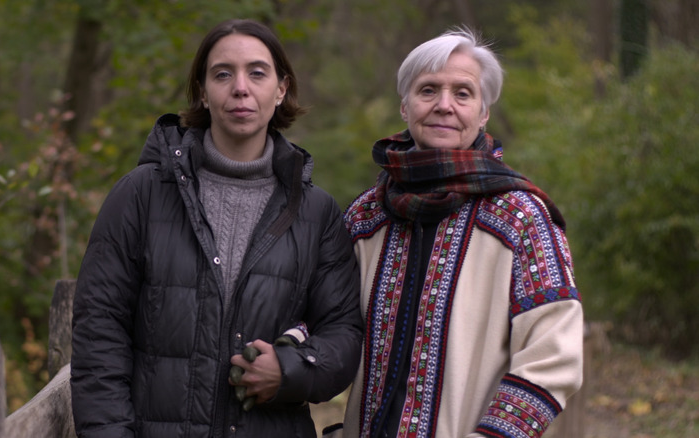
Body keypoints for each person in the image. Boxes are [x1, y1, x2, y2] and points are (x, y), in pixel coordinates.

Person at [70, 19, 363, 438]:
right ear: (203, 93)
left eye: (257, 73)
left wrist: (291, 370)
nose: (240, 87)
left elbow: (344, 332)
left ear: (281, 90)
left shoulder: (317, 213)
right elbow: (100, 332)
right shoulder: (141, 194)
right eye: (222, 74)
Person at [340, 28, 583, 438]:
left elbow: (553, 359)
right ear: (405, 105)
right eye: (428, 90)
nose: (444, 106)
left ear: (483, 112)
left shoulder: (522, 218)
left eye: (463, 93)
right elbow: (326, 320)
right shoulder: (366, 216)